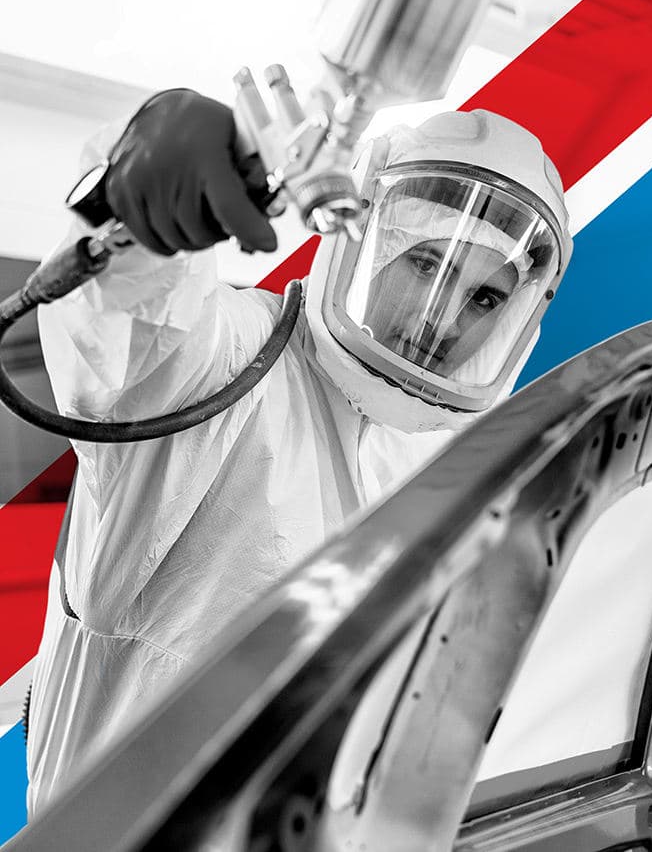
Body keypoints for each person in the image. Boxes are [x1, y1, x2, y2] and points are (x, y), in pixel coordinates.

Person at [25, 89, 573, 814]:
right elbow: (136, 328)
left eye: (483, 299)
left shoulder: (456, 465)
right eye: (425, 264)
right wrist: (138, 212)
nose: (440, 318)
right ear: (361, 240)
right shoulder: (237, 365)